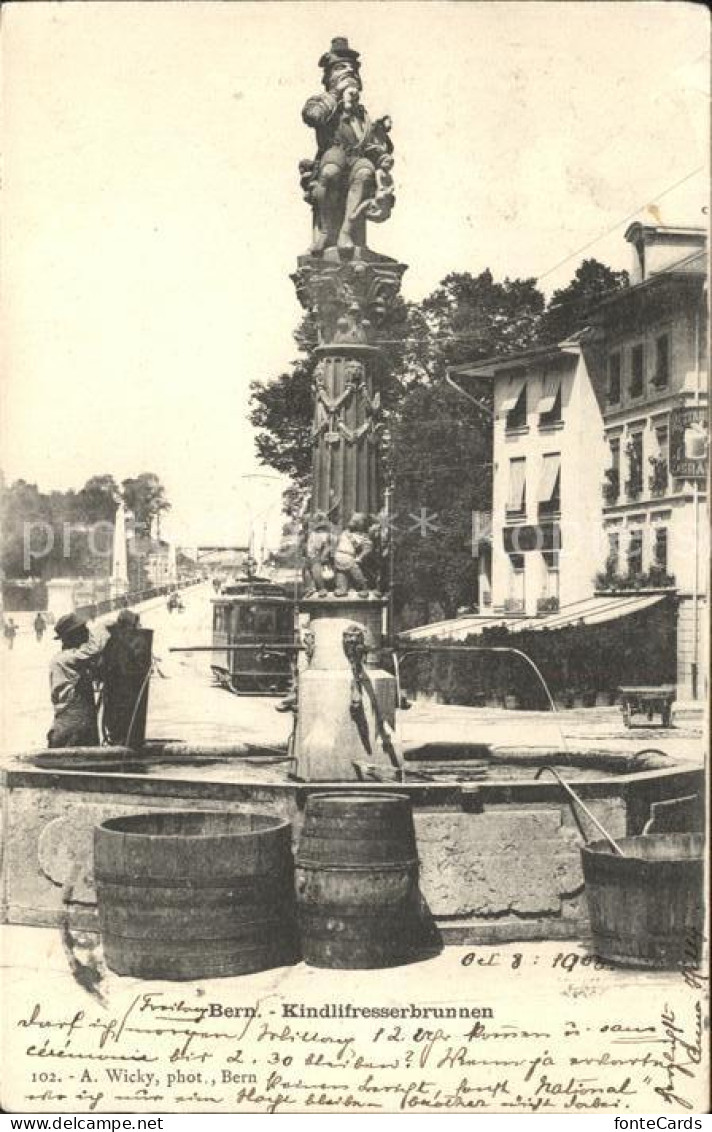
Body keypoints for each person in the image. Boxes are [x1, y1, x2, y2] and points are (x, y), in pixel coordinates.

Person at [47, 613, 109, 748]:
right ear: (72, 636)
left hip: (79, 722)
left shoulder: (74, 660)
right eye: (83, 631)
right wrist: (102, 627)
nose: (87, 634)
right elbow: (94, 648)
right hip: (72, 723)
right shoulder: (66, 658)